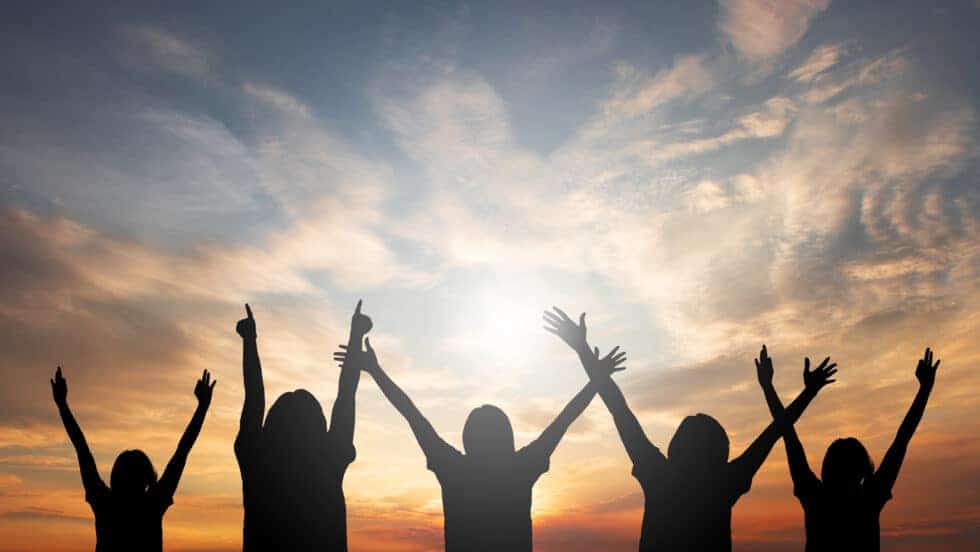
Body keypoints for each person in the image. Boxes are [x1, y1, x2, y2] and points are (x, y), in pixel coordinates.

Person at [543, 307, 836, 551]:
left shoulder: (659, 473)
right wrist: (799, 391)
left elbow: (618, 408)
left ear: (676, 446)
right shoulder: (725, 482)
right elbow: (775, 432)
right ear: (720, 450)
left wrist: (583, 349)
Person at [335, 326, 626, 552]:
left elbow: (412, 415)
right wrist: (596, 379)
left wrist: (376, 371)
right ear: (507, 437)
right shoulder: (520, 468)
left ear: (468, 439)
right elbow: (565, 419)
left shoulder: (454, 469)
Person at [760, 346, 940, 551]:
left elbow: (788, 434)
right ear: (863, 468)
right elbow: (902, 439)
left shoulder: (815, 497)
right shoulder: (868, 499)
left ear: (828, 467)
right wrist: (925, 389)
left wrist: (769, 387)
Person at [235, 301, 371, 552]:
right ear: (319, 428)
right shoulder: (329, 457)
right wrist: (356, 336)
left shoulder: (256, 458)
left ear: (271, 425)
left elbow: (254, 396)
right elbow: (346, 396)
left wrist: (249, 339)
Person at [51, 366, 215, 552]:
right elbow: (182, 451)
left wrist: (62, 405)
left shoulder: (105, 502)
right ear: (146, 477)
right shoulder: (152, 504)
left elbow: (82, 449)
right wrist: (202, 408)